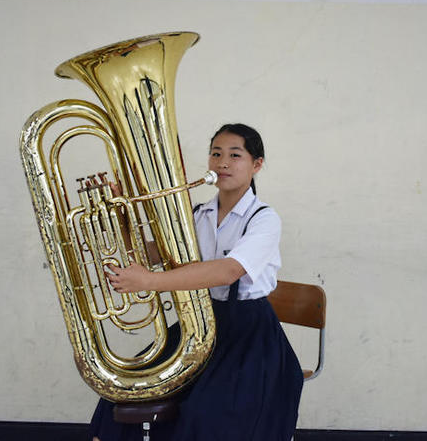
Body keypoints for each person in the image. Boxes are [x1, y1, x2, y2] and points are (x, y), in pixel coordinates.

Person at [90, 123, 303, 441]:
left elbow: (228, 271)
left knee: (206, 412)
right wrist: (122, 219)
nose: (223, 163)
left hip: (249, 334)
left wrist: (150, 281)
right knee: (126, 389)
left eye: (235, 155)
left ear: (256, 164)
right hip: (201, 323)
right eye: (216, 154)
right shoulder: (199, 213)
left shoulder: (264, 219)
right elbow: (157, 256)